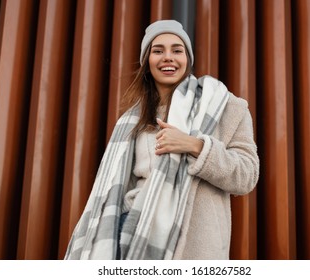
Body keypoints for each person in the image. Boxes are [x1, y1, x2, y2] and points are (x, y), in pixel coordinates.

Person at [64, 20, 259, 260]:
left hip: (191, 247)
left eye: (177, 50)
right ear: (147, 62)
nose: (168, 57)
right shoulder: (131, 120)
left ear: (187, 58)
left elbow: (247, 175)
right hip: (129, 235)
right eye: (158, 51)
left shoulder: (224, 107)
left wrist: (195, 145)